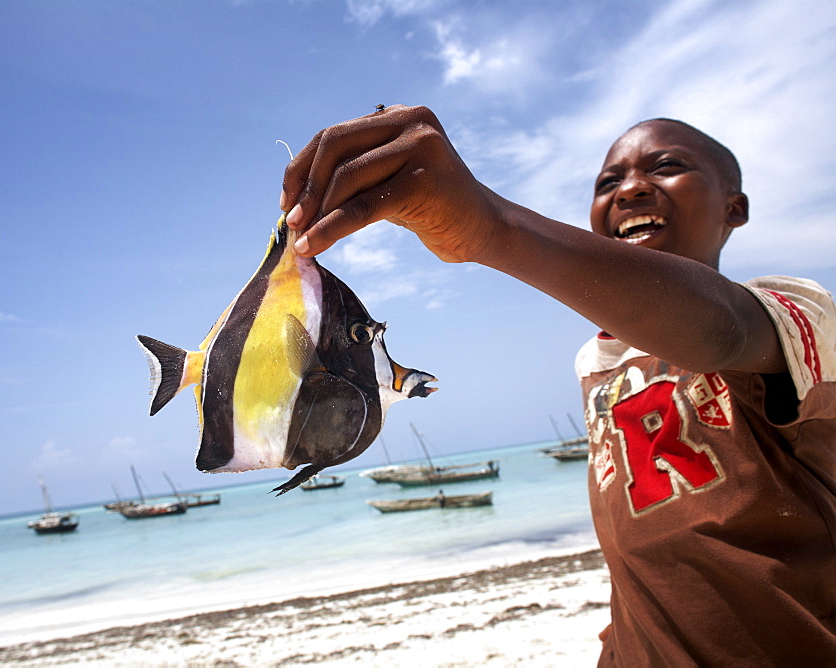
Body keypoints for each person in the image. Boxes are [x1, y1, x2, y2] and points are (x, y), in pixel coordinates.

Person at [279, 105, 836, 666]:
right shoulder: (597, 363)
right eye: (609, 182)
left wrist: (491, 226)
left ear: (733, 208)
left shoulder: (797, 316)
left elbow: (722, 328)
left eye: (666, 167)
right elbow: (640, 559)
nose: (631, 189)